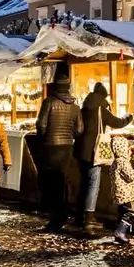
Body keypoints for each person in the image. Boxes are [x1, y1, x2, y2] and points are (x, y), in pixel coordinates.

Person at [74, 82, 133, 233]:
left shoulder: (82, 109)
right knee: (93, 184)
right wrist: (129, 117)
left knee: (84, 183)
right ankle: (88, 219)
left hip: (80, 151)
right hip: (95, 152)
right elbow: (118, 123)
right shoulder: (101, 111)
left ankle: (79, 217)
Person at [35, 75, 83, 232]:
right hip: (67, 146)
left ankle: (57, 215)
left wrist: (43, 137)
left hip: (51, 146)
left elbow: (41, 124)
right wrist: (69, 135)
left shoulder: (49, 102)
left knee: (51, 182)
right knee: (61, 180)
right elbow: (80, 129)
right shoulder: (75, 107)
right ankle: (61, 212)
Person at [110, 136, 134, 245]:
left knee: (122, 213)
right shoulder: (122, 161)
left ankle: (119, 232)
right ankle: (120, 232)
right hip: (126, 194)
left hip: (119, 193)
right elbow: (130, 176)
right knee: (131, 212)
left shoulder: (116, 161)